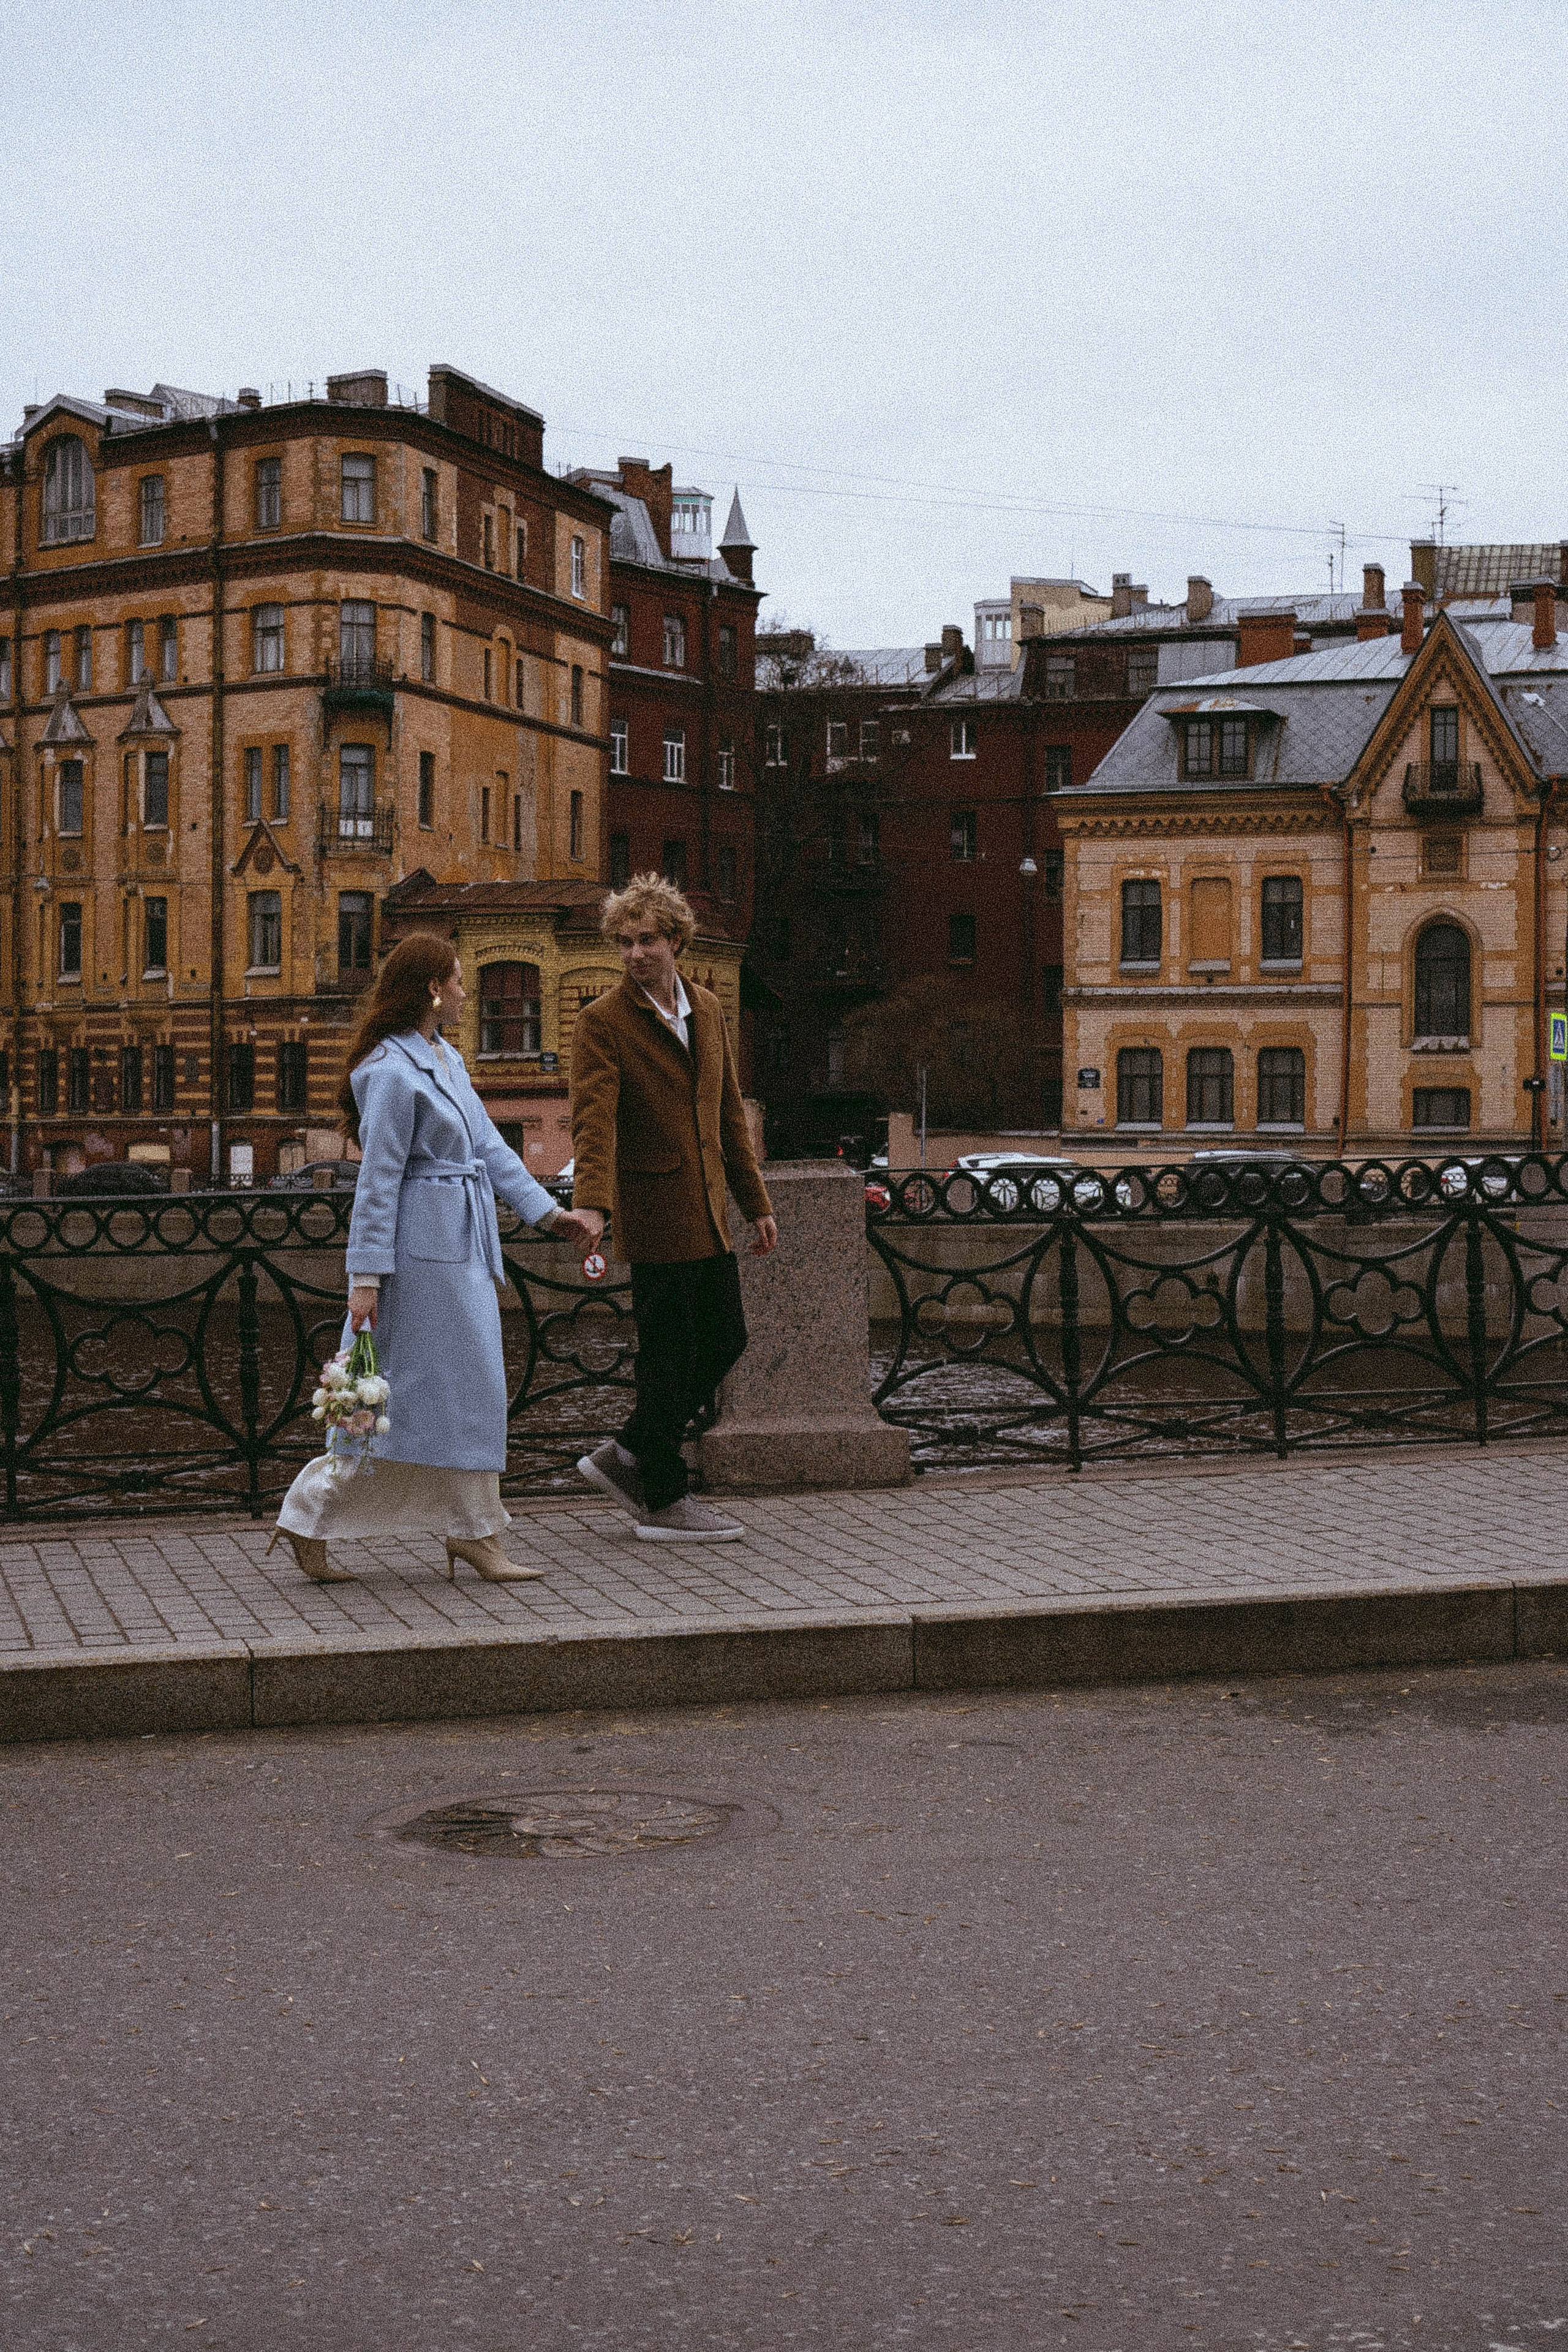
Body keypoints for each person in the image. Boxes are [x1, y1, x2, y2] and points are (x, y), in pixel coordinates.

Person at [270, 932, 598, 1583]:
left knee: (470, 1392)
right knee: (407, 1394)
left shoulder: (443, 1059)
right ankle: (310, 1516)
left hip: (459, 1247)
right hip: (420, 1255)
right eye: (456, 980)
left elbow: (492, 1151)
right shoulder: (391, 1071)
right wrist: (365, 1279)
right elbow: (378, 1179)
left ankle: (474, 1531)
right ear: (430, 988)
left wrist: (549, 1213)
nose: (464, 992)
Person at [569, 874, 777, 1540]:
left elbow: (725, 1114)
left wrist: (755, 1202)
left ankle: (628, 1453)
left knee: (725, 1337)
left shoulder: (709, 1009)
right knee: (668, 1351)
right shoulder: (602, 1021)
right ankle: (660, 1496)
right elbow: (592, 1121)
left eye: (647, 940)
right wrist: (594, 1205)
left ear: (676, 941)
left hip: (710, 1209)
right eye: (625, 943)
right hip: (655, 1207)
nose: (635, 954)